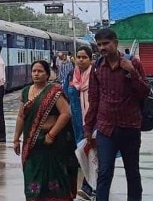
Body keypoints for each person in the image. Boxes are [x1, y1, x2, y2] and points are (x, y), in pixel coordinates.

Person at [83, 29, 151, 201]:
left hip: (130, 127)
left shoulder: (133, 63)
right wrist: (88, 128)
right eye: (99, 45)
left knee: (132, 172)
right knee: (104, 172)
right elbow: (94, 99)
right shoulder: (97, 67)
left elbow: (144, 92)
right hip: (106, 129)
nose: (102, 48)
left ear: (116, 43)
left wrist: (132, 73)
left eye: (106, 43)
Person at [14, 59, 78, 201]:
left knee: (54, 178)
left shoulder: (54, 92)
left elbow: (66, 114)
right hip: (31, 145)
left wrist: (52, 133)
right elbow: (20, 116)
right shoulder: (25, 92)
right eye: (34, 71)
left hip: (51, 145)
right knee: (32, 176)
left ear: (48, 75)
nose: (36, 74)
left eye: (40, 71)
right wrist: (16, 139)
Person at [68, 46, 95, 200]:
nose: (80, 60)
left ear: (91, 59)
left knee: (92, 155)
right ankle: (89, 186)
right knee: (82, 155)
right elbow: (66, 95)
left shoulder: (95, 76)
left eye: (84, 57)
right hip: (76, 123)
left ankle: (88, 187)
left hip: (92, 122)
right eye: (78, 57)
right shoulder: (72, 76)